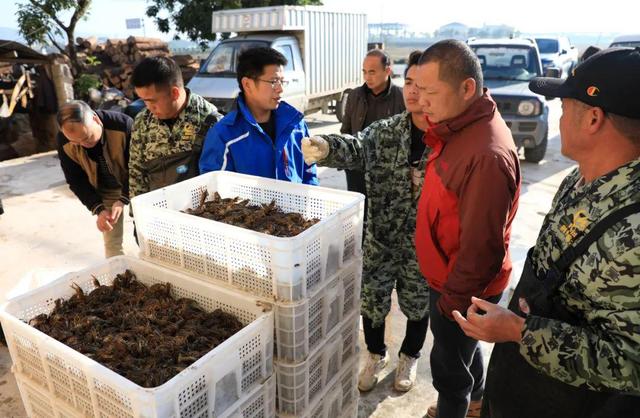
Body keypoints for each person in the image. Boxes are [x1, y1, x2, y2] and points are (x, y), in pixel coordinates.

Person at [453, 47, 640, 418]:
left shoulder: (633, 231)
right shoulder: (578, 179)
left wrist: (520, 332)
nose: (559, 118)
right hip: (516, 385)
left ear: (593, 119)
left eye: (565, 107)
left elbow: (631, 364)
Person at [302, 51, 430, 393]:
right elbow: (357, 147)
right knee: (371, 303)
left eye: (424, 84)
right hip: (381, 237)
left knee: (418, 305)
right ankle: (376, 355)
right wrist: (325, 146)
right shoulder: (388, 131)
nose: (415, 91)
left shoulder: (450, 141)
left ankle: (410, 356)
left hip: (423, 246)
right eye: (411, 83)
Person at [413, 40, 521, 418]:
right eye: (415, 88)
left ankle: (455, 408)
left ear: (467, 88)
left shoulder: (485, 155)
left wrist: (451, 305)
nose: (419, 100)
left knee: (448, 369)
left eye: (429, 92)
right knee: (463, 352)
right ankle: (475, 404)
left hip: (461, 288)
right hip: (449, 277)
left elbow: (480, 251)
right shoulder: (458, 125)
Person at [199, 47, 317, 184]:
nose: (280, 89)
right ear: (247, 84)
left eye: (282, 81)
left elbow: (309, 173)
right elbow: (215, 192)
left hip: (296, 205)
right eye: (273, 81)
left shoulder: (296, 126)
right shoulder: (224, 135)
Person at [128, 56, 222, 198]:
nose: (149, 108)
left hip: (199, 212)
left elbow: (218, 179)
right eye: (144, 101)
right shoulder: (143, 121)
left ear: (174, 93)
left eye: (152, 101)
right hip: (158, 212)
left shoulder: (210, 120)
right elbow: (137, 172)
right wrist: (138, 213)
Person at [56, 100, 132, 258]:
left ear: (96, 119)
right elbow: (75, 179)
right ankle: (118, 275)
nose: (84, 144)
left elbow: (139, 166)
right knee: (112, 245)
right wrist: (97, 208)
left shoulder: (122, 125)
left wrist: (124, 197)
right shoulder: (65, 141)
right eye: (77, 142)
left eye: (87, 137)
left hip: (136, 184)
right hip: (106, 190)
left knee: (146, 234)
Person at [340, 49, 405, 223]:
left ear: (387, 71)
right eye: (364, 72)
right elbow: (346, 130)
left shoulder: (402, 97)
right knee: (357, 217)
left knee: (384, 220)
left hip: (388, 173)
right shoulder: (355, 95)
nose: (367, 77)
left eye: (372, 72)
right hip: (358, 170)